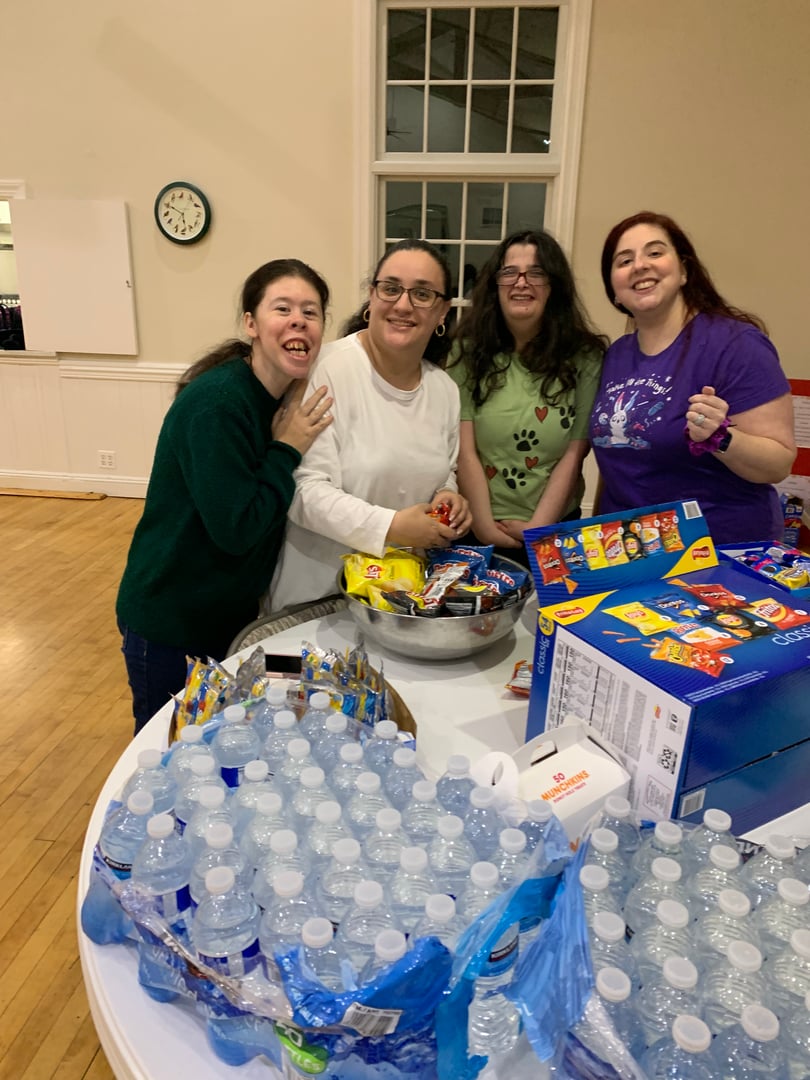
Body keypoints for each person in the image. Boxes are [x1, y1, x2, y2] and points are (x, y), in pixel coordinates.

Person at [116, 258, 334, 735]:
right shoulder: (219, 404)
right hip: (172, 623)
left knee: (215, 745)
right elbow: (238, 528)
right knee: (169, 751)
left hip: (223, 618)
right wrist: (288, 449)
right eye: (283, 308)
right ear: (251, 324)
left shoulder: (280, 397)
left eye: (311, 311)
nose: (298, 319)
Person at [271, 239, 472, 609]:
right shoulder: (327, 369)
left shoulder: (444, 390)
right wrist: (391, 526)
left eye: (423, 294)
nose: (403, 304)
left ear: (443, 311)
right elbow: (302, 491)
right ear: (372, 296)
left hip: (401, 599)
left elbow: (443, 470)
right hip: (319, 599)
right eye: (391, 288)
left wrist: (448, 495)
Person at [589, 211, 796, 545]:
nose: (641, 265)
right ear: (615, 291)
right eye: (624, 260)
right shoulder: (617, 356)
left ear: (684, 270)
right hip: (629, 553)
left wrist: (721, 437)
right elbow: (614, 463)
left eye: (655, 253)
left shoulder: (735, 344)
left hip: (717, 554)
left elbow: (778, 464)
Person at [446, 229, 606, 565]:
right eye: (510, 272)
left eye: (536, 272)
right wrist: (485, 525)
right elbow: (465, 449)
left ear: (554, 286)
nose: (522, 282)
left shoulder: (586, 356)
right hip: (478, 526)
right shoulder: (467, 351)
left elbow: (574, 454)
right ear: (495, 285)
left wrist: (539, 530)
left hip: (555, 531)